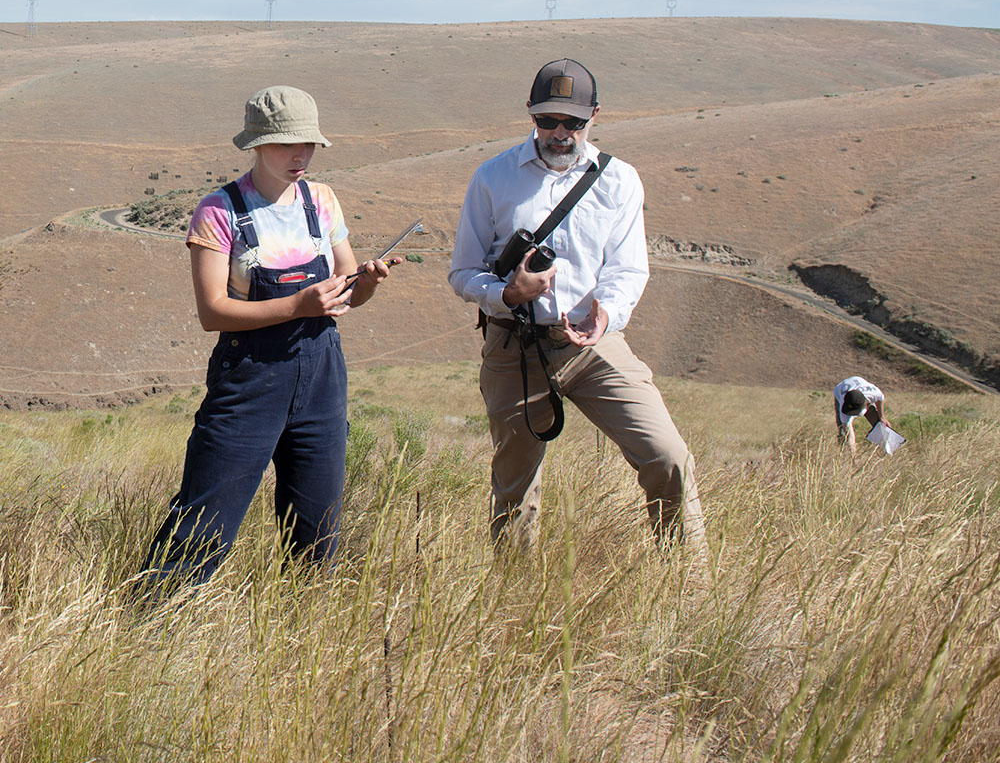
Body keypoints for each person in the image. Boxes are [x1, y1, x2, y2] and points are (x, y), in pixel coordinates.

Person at [140, 85, 397, 591]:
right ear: (256, 145)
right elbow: (213, 312)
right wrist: (298, 306)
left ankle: (302, 636)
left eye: (309, 145)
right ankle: (152, 626)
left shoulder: (321, 201)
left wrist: (364, 284)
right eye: (286, 144)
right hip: (250, 378)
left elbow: (346, 292)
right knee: (204, 521)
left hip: (322, 375)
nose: (300, 156)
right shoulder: (218, 211)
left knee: (317, 528)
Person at [449, 58, 704, 549]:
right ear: (530, 114)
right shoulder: (492, 178)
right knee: (514, 489)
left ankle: (688, 591)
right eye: (548, 120)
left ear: (595, 116)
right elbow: (463, 271)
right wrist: (506, 294)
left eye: (573, 122)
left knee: (668, 455)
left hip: (593, 345)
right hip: (513, 348)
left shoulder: (620, 180)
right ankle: (513, 603)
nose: (560, 132)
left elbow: (628, 269)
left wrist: (606, 312)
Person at [833, 375, 889, 456]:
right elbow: (848, 431)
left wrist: (882, 417)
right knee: (843, 432)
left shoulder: (875, 393)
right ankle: (847, 456)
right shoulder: (843, 406)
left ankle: (886, 451)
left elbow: (880, 400)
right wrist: (853, 452)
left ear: (867, 404)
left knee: (880, 424)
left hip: (861, 393)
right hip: (841, 389)